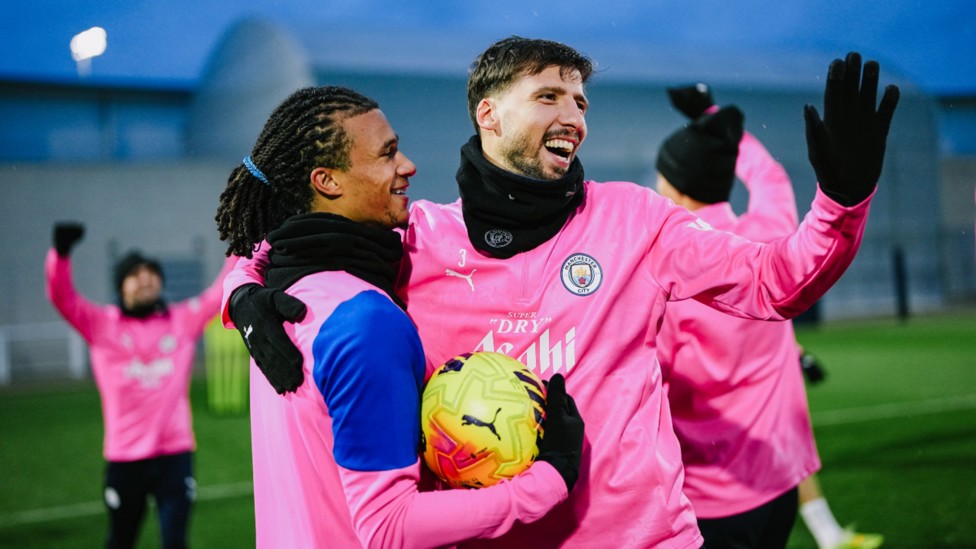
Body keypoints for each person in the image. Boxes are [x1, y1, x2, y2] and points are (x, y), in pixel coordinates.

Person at [224, 39, 899, 548]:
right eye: (548, 95)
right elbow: (289, 243)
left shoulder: (637, 222)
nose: (573, 112)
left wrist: (842, 202)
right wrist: (245, 291)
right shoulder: (418, 240)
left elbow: (776, 280)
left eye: (580, 100)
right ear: (486, 112)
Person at [214, 85, 584, 549]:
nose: (408, 165)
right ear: (327, 181)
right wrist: (549, 478)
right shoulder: (366, 322)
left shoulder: (277, 298)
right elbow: (389, 527)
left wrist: (240, 289)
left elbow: (258, 250)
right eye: (387, 154)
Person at [45, 222, 235, 549]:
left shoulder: (181, 320)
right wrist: (60, 256)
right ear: (121, 285)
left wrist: (238, 242)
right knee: (121, 540)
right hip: (125, 458)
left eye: (151, 272)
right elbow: (63, 298)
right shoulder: (100, 324)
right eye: (135, 273)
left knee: (176, 541)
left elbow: (220, 292)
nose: (145, 278)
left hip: (175, 455)